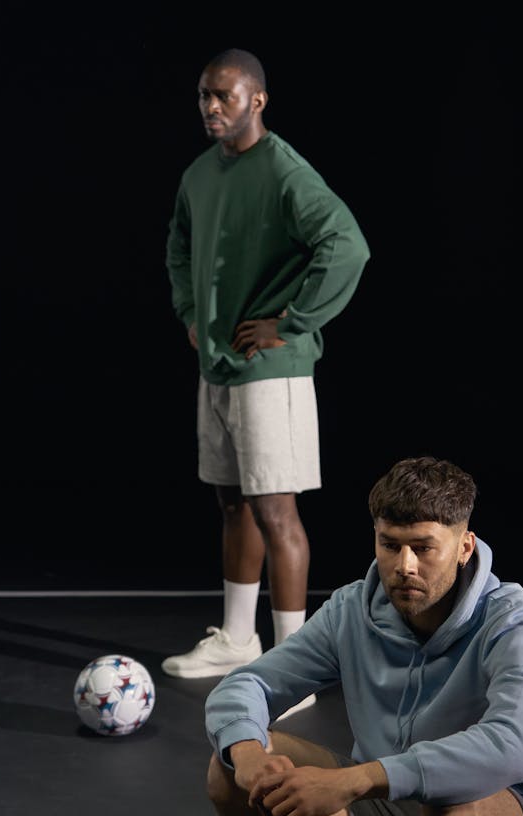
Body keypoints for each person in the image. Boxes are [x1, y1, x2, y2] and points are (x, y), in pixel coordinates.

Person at [205, 456, 523, 816]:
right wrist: (247, 755)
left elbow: (509, 748)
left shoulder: (516, 622)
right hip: (384, 806)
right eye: (390, 545)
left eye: (423, 548)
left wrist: (356, 780)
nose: (404, 566)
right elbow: (247, 684)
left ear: (464, 546)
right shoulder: (352, 609)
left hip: (494, 814)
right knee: (228, 767)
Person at [162, 47, 370, 702]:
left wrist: (293, 319)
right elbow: (178, 245)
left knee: (276, 509)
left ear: (258, 100)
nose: (212, 107)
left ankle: (291, 665)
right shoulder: (199, 172)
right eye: (204, 95)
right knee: (232, 501)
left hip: (269, 367)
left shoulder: (283, 168)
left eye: (225, 95)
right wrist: (192, 311)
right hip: (218, 364)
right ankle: (237, 639)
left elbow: (347, 244)